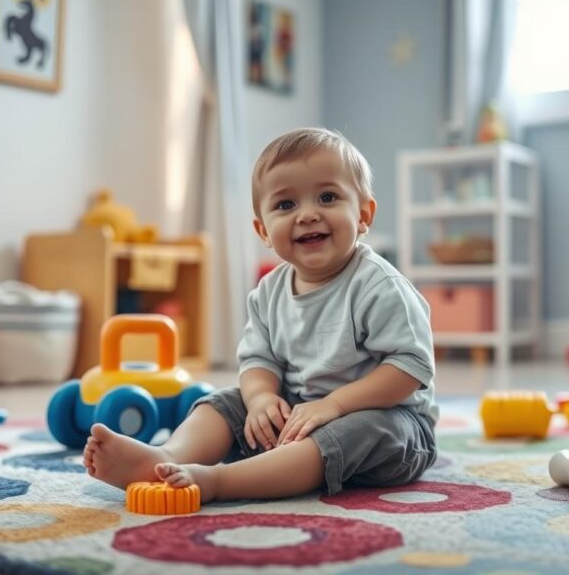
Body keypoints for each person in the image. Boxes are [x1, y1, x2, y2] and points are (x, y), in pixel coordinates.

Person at [83, 127, 437, 503]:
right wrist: (261, 399)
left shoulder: (378, 285)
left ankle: (221, 482)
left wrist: (334, 405)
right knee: (226, 401)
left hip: (389, 422)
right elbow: (258, 360)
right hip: (298, 413)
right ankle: (168, 457)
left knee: (356, 430)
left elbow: (409, 367)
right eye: (286, 205)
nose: (308, 215)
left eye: (328, 197)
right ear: (263, 230)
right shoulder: (269, 291)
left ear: (364, 214)